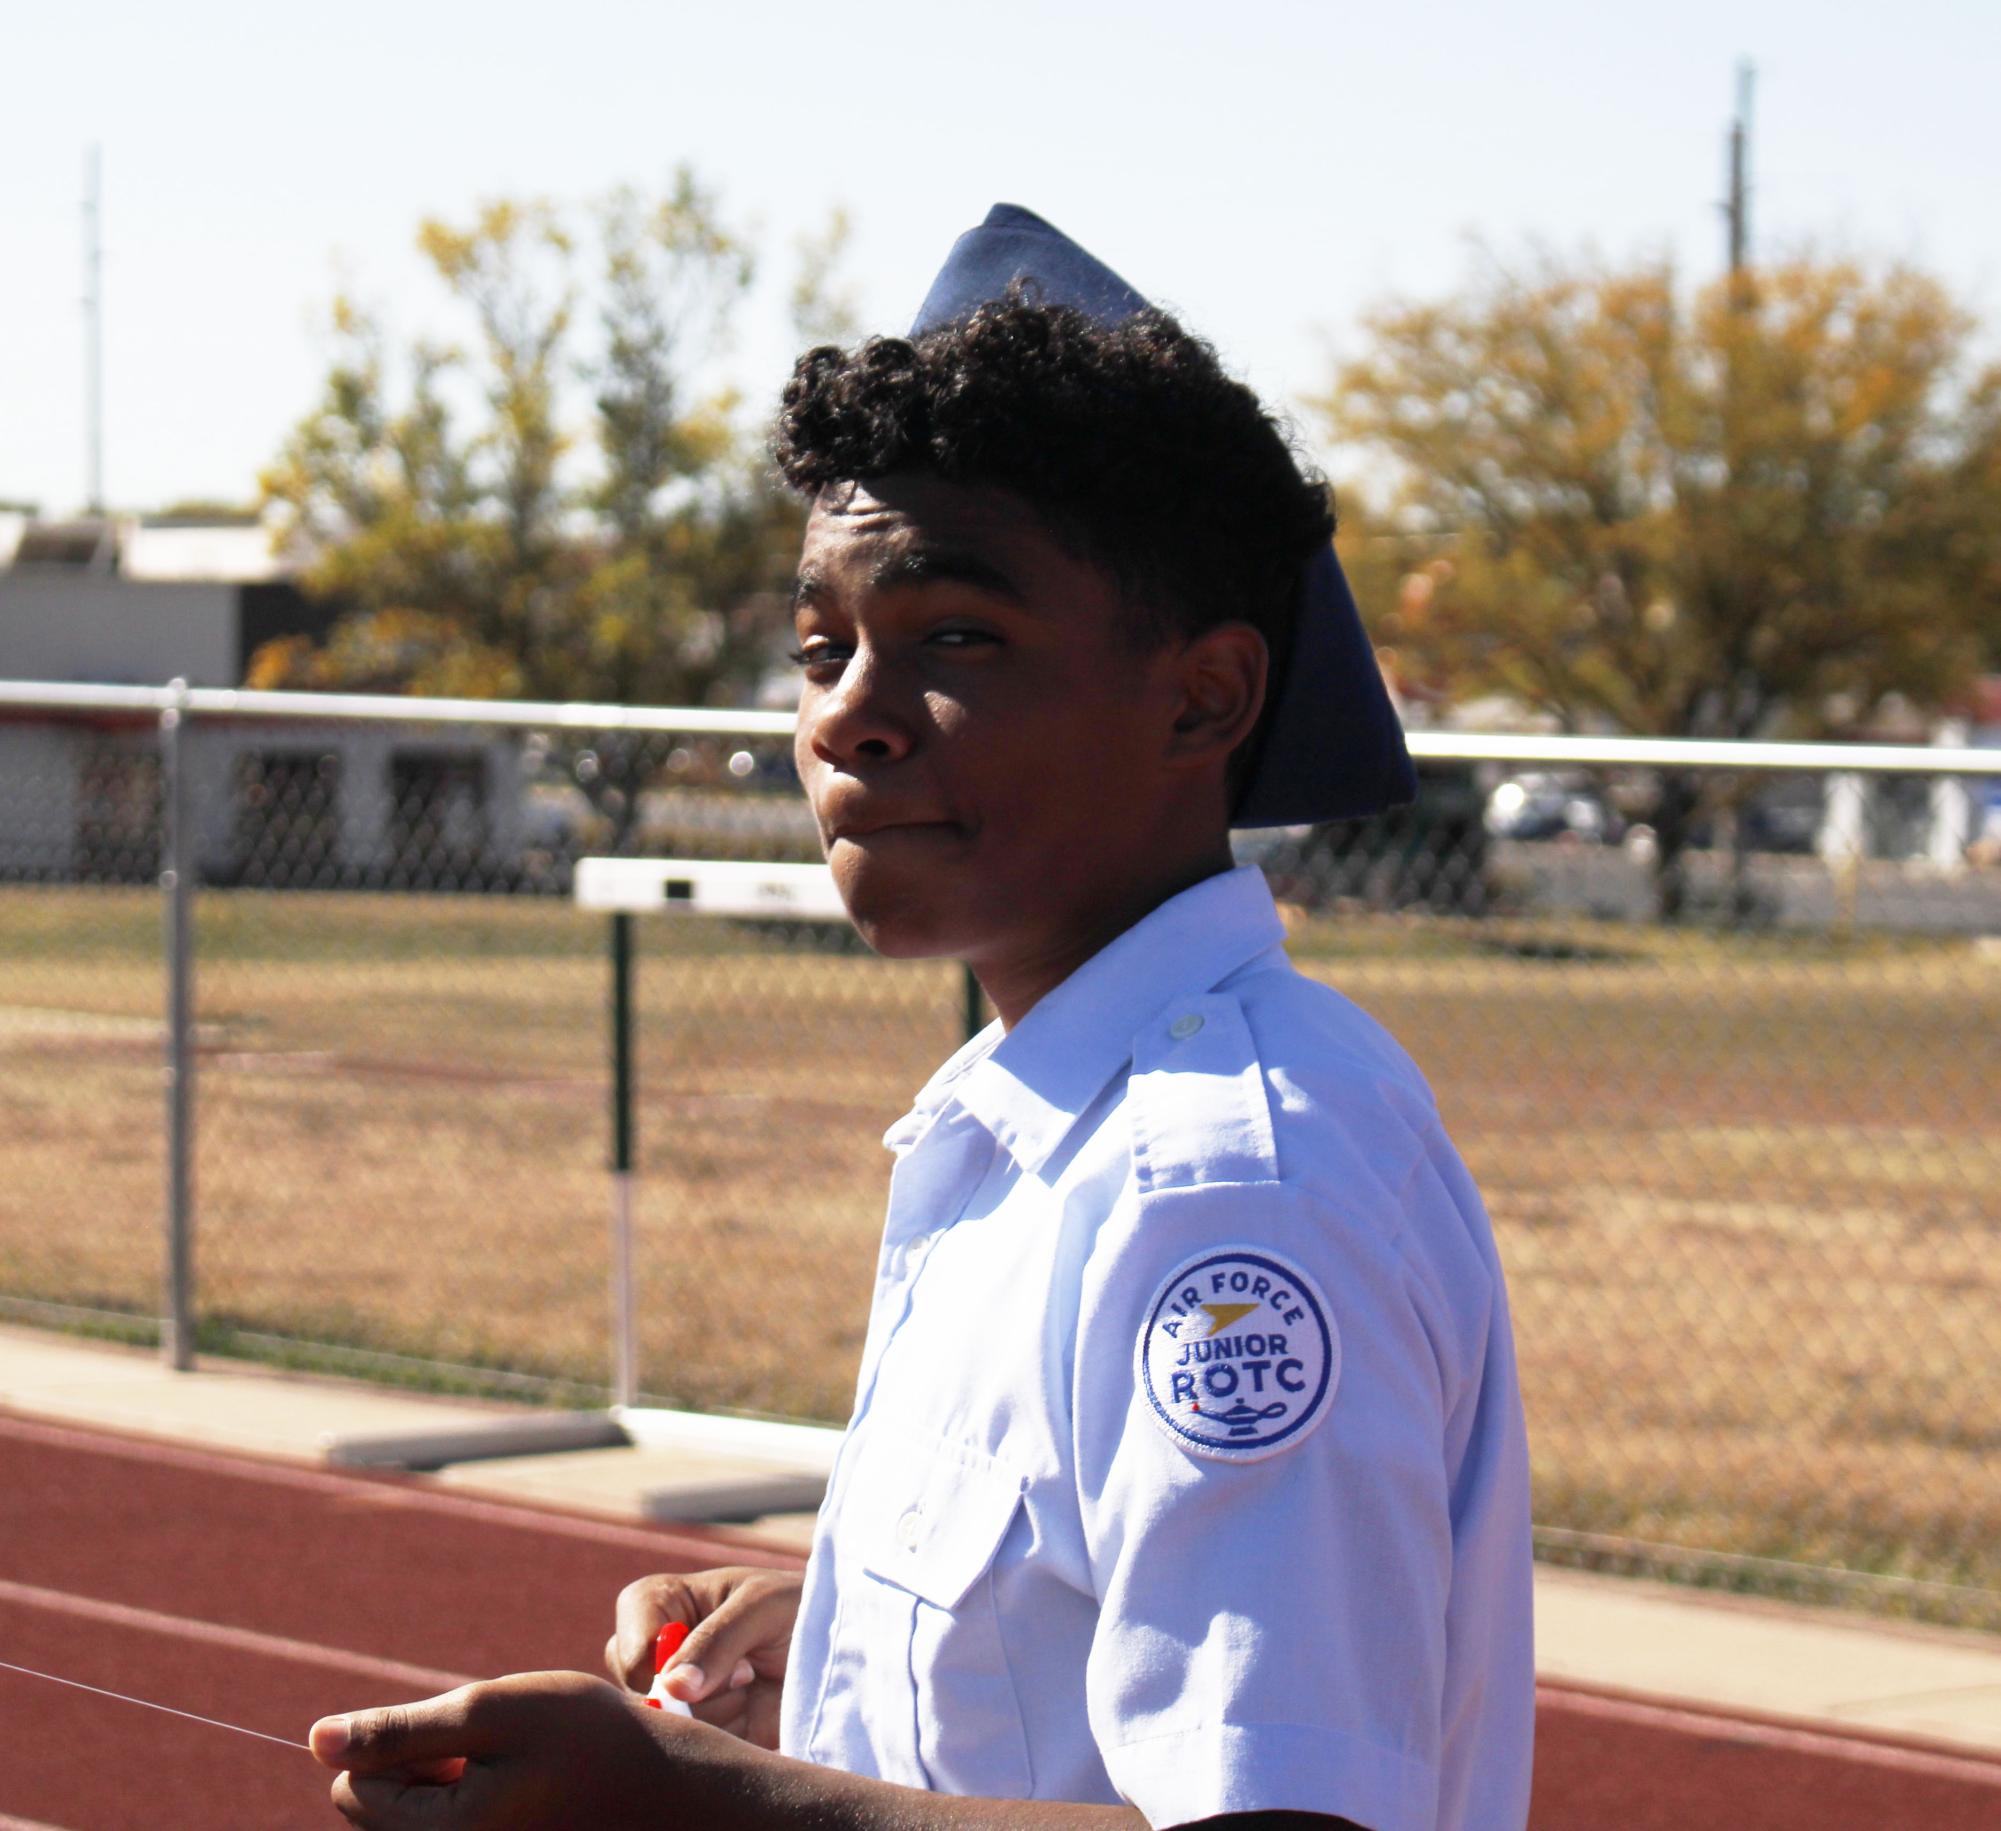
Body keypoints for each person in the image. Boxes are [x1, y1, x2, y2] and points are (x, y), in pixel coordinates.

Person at [311, 206, 1533, 1831]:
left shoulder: (1223, 1186)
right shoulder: (1041, 1114)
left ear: (1203, 697)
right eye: (821, 644)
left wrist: (716, 1807)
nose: (847, 716)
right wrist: (842, 1621)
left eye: (954, 637)